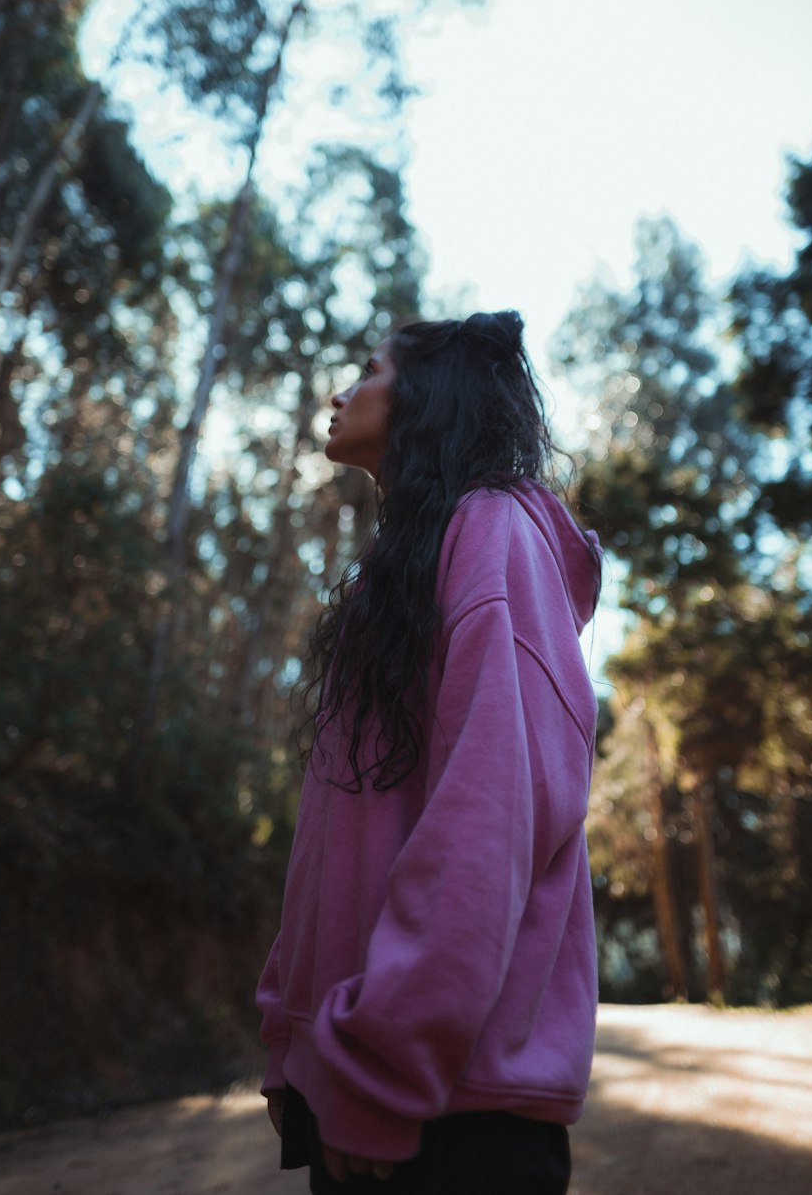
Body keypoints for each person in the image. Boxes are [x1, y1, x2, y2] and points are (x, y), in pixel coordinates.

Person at [256, 311, 602, 1194]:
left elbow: (487, 819)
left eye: (368, 370)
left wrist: (384, 1060)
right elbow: (335, 840)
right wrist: (294, 1040)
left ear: (427, 399)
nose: (342, 391)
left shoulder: (493, 532)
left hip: (452, 1109)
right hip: (366, 1070)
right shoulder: (393, 576)